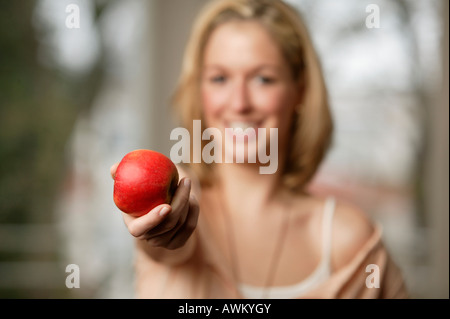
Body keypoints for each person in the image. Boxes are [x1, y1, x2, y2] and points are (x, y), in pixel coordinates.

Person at [110, 0, 408, 298]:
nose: (239, 103)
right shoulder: (181, 209)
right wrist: (159, 224)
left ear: (299, 91)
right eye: (219, 78)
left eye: (263, 78)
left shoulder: (350, 240)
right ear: (199, 91)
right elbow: (167, 247)